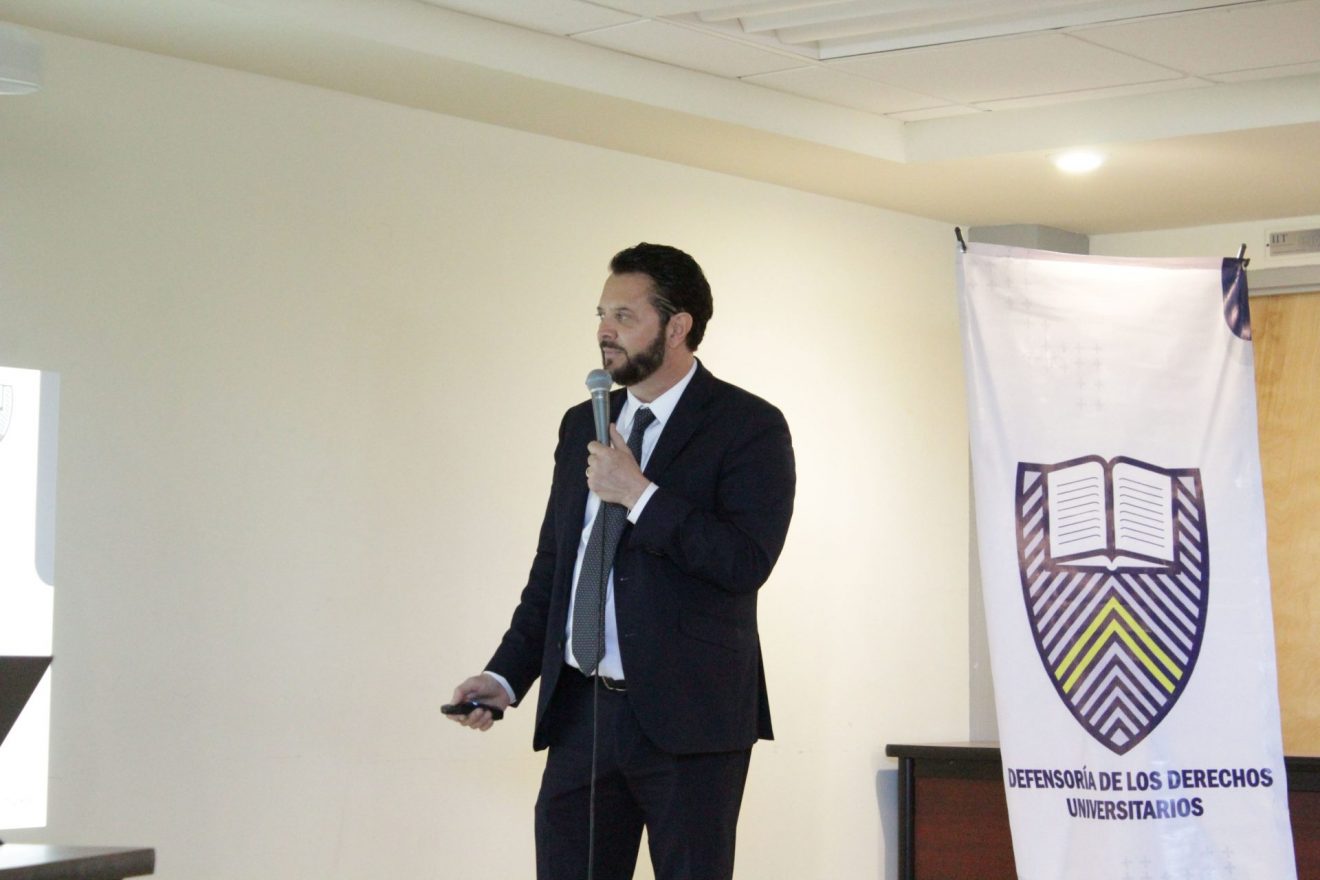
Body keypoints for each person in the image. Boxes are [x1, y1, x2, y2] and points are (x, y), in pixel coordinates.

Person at [447, 243, 796, 880]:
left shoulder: (748, 425)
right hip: (582, 715)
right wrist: (505, 677)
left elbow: (745, 560)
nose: (605, 331)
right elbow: (557, 568)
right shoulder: (582, 423)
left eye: (625, 316)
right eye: (601, 315)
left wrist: (640, 494)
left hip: (689, 723)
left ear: (678, 326)